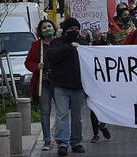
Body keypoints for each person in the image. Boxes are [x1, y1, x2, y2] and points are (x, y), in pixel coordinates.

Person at [47, 18, 87, 156]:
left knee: (77, 117)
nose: (74, 31)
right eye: (71, 29)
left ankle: (76, 142)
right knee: (62, 115)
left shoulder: (83, 43)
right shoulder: (56, 43)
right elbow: (52, 56)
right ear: (65, 30)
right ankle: (62, 144)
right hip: (61, 86)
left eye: (77, 28)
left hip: (78, 86)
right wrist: (69, 48)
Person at [24, 19, 56, 151]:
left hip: (59, 83)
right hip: (44, 83)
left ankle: (61, 138)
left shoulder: (59, 43)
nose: (47, 28)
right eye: (44, 27)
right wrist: (36, 66)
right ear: (40, 31)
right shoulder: (37, 46)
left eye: (49, 26)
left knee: (62, 112)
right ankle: (47, 140)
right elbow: (28, 62)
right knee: (45, 112)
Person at [89, 31, 111, 143]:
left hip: (106, 82)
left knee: (106, 106)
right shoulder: (86, 44)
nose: (96, 33)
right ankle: (95, 134)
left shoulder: (106, 43)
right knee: (93, 108)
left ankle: (102, 125)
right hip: (93, 81)